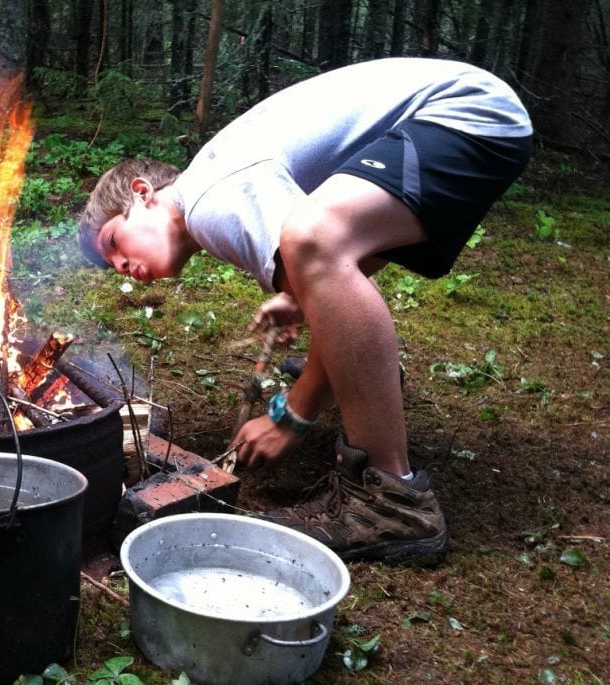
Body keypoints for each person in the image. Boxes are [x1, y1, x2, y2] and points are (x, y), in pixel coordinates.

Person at [76, 57, 532, 565]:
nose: (119, 265)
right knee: (317, 250)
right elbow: (335, 263)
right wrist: (299, 297)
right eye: (110, 264)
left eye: (113, 242)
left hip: (461, 113)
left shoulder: (208, 199)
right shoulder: (216, 181)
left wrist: (293, 413)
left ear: (142, 195)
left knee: (311, 242)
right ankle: (362, 383)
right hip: (463, 113)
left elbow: (313, 248)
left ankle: (393, 500)